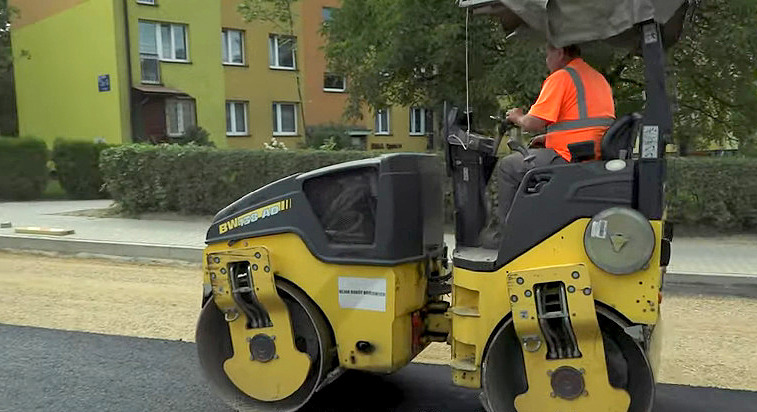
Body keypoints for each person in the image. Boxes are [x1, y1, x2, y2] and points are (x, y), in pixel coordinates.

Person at [492, 43, 615, 238]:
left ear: (559, 52)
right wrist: (548, 138)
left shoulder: (562, 77)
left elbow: (533, 122)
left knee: (508, 167)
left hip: (569, 157)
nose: (546, 59)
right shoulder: (598, 78)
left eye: (548, 54)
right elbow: (584, 123)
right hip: (591, 153)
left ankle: (507, 237)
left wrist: (517, 117)